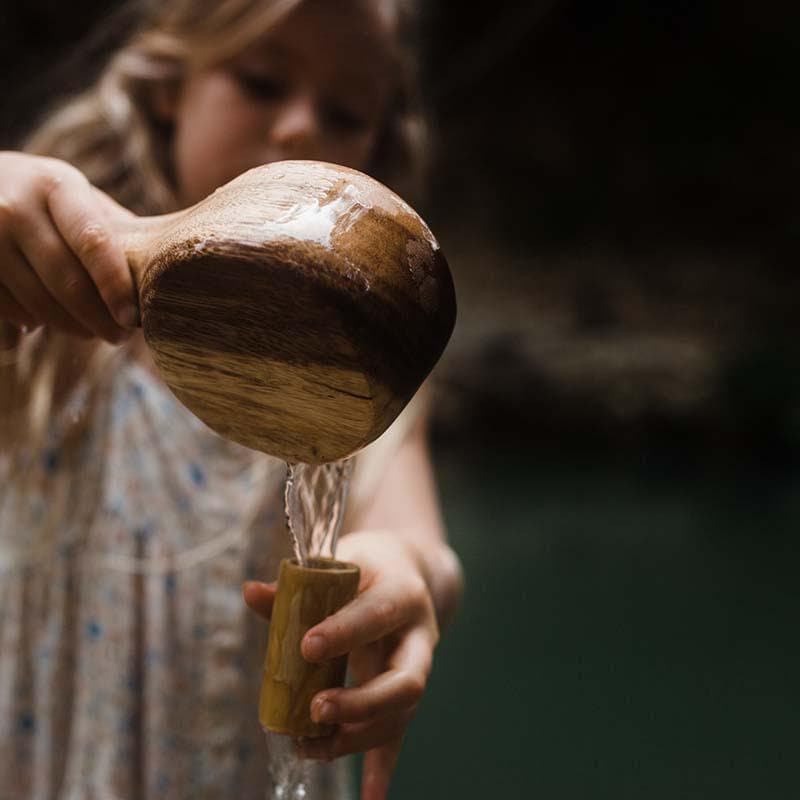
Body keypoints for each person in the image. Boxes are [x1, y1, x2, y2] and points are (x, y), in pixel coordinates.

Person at [0, 1, 464, 799]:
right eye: (260, 82)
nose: (296, 128)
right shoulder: (39, 337)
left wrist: (402, 572)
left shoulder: (354, 393)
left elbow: (419, 546)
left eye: (345, 114)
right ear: (173, 85)